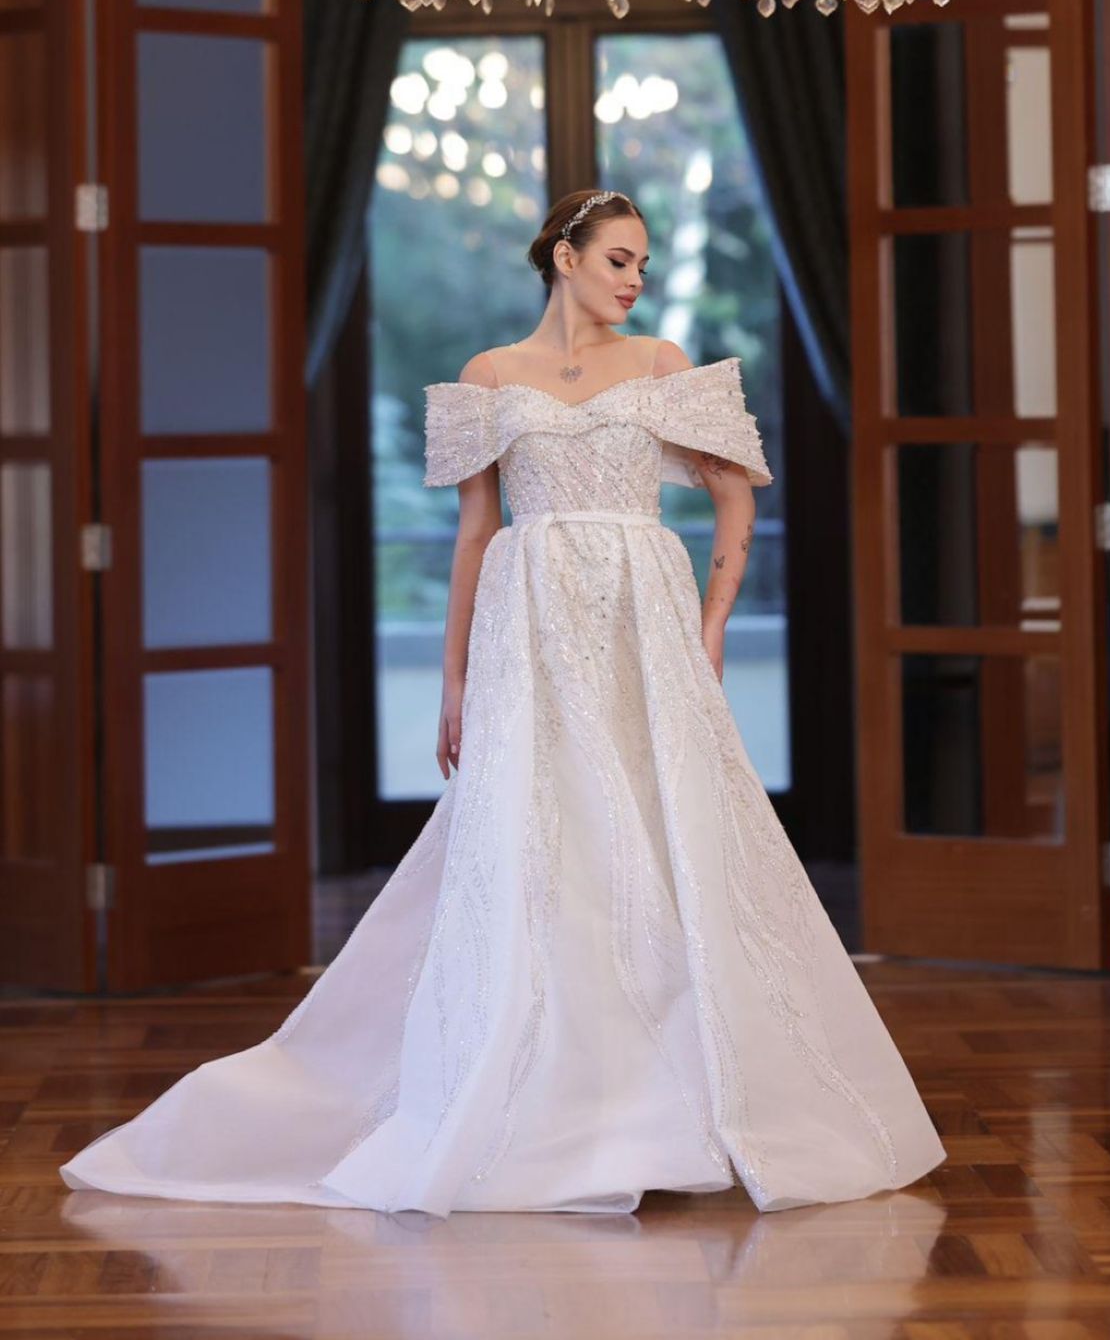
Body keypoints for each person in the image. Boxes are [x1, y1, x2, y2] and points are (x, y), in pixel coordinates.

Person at [61, 188, 946, 1218]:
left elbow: (736, 494)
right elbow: (476, 533)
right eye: (617, 259)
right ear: (565, 257)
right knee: (540, 837)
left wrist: (710, 627)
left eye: (643, 264)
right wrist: (454, 677)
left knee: (664, 833)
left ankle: (683, 1099)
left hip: (645, 626)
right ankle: (550, 1096)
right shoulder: (489, 376)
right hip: (531, 630)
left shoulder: (662, 363)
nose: (634, 280)